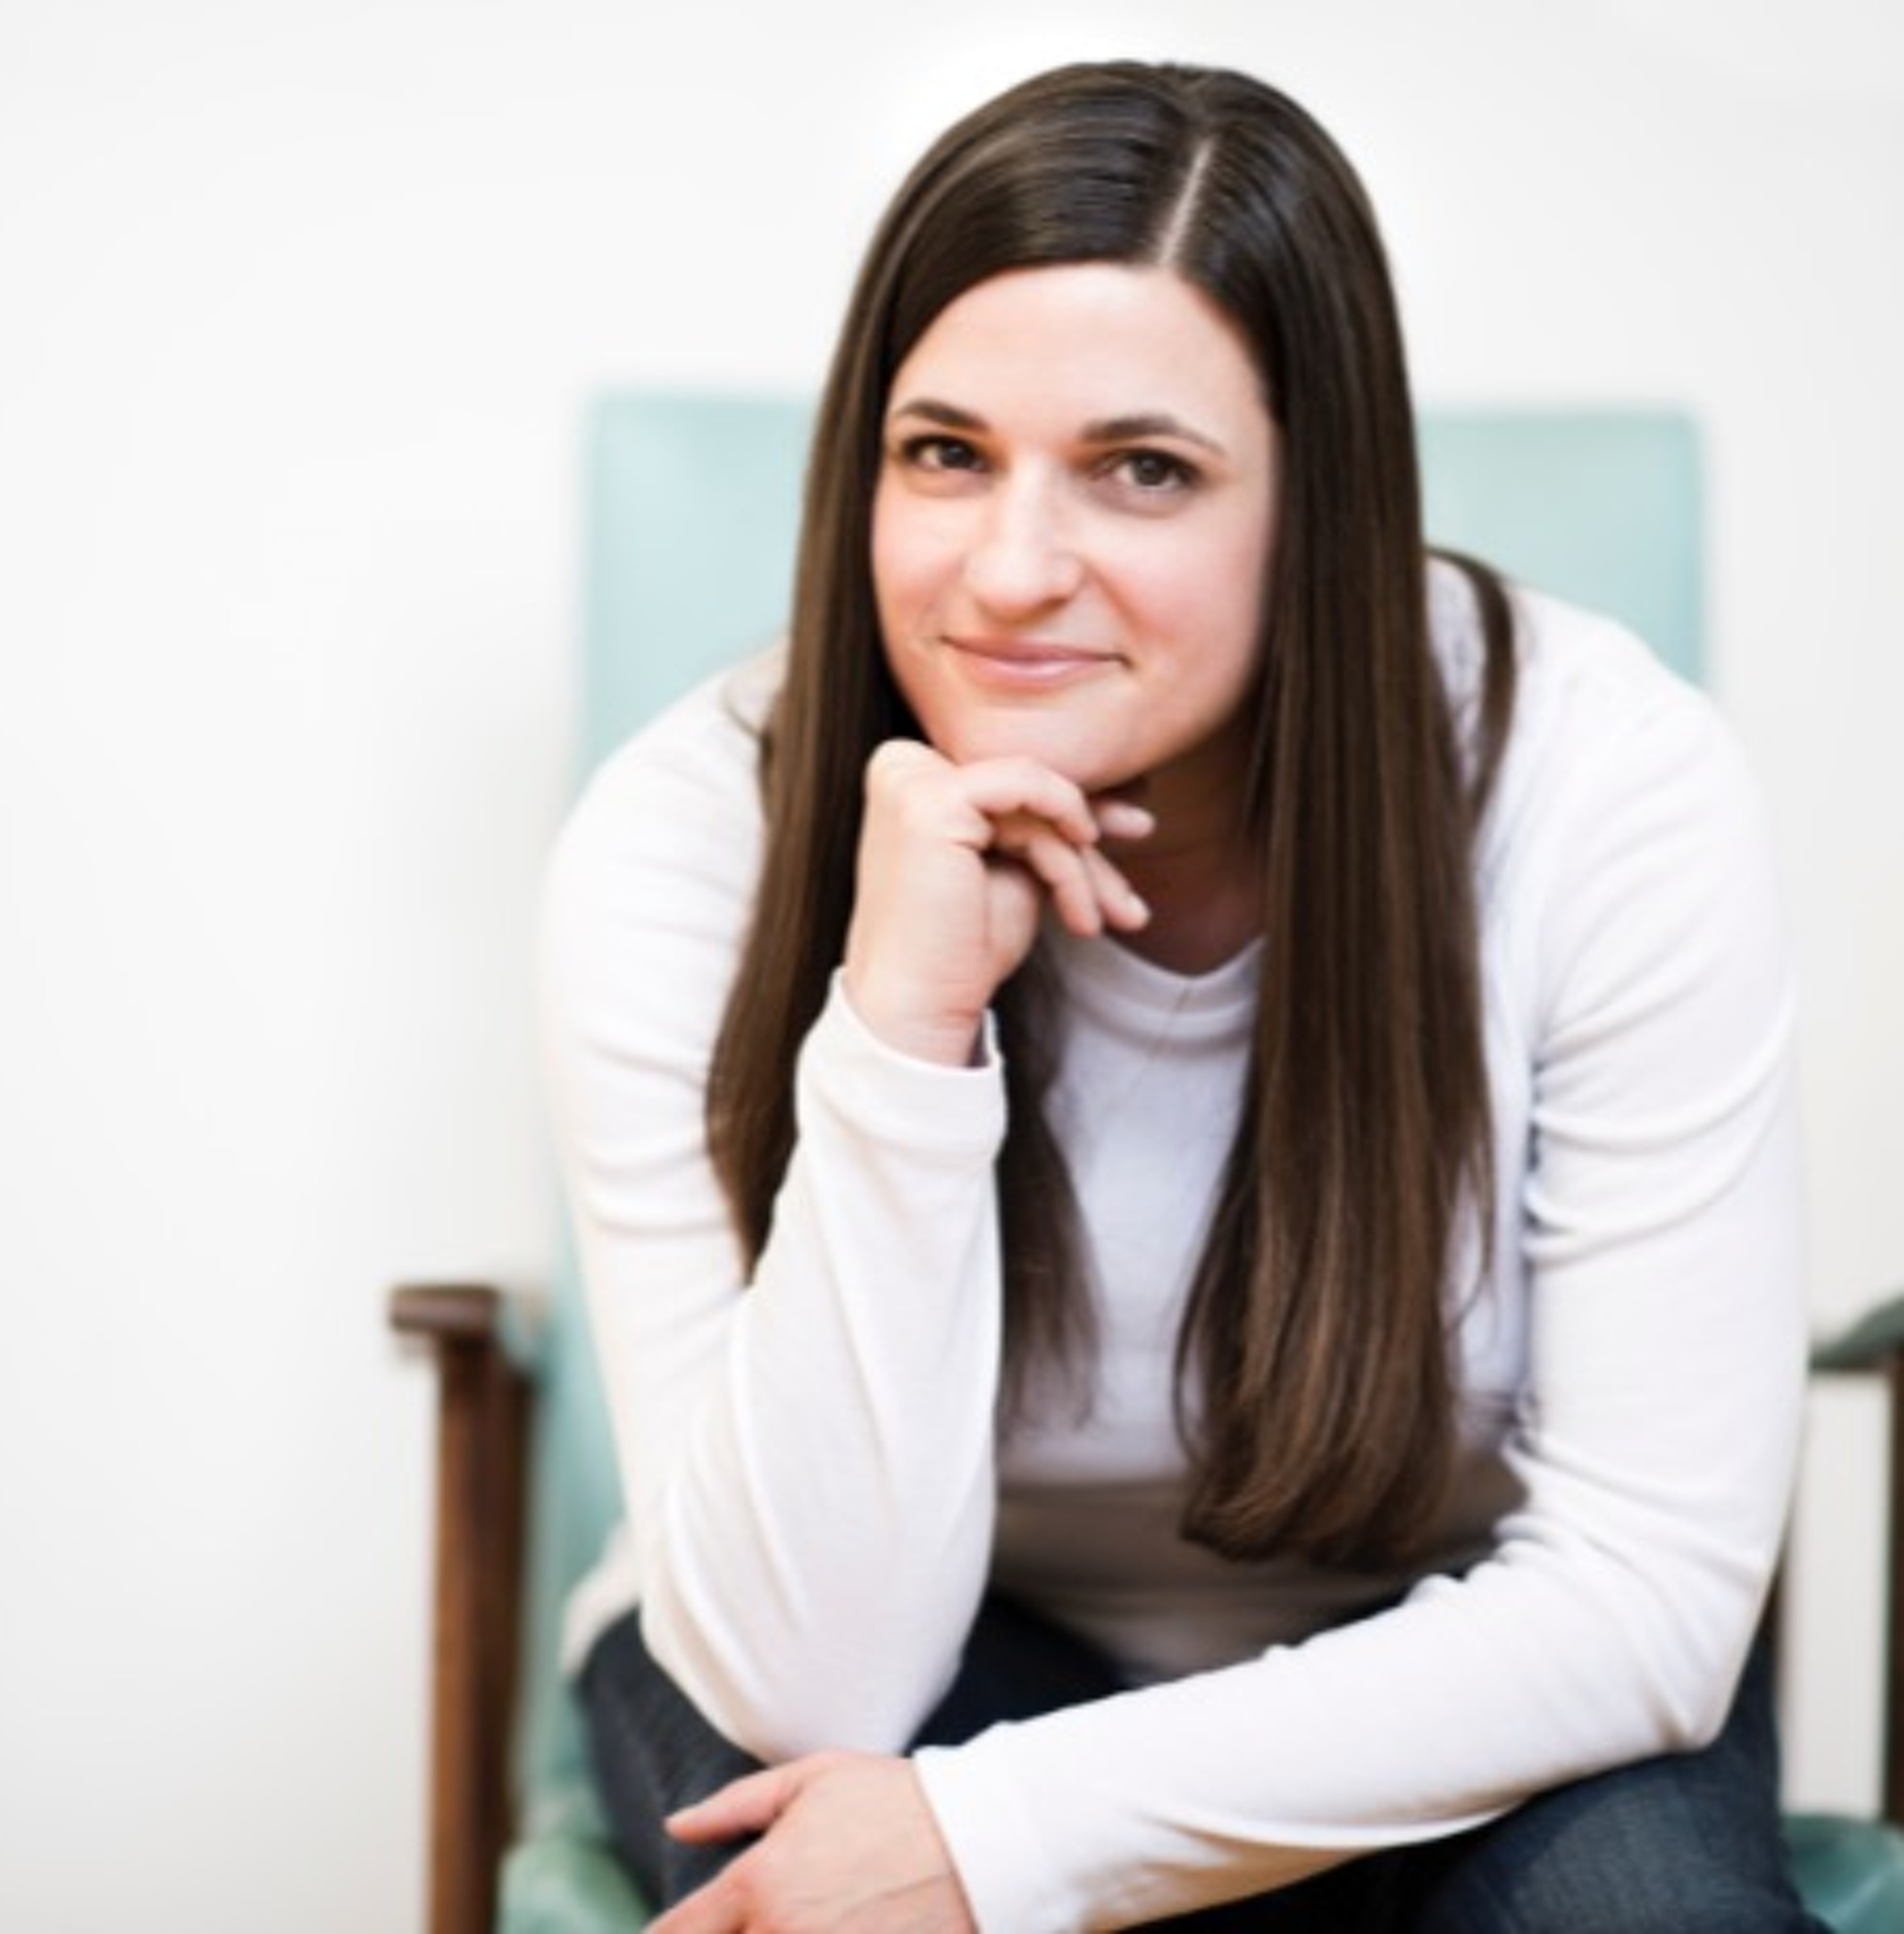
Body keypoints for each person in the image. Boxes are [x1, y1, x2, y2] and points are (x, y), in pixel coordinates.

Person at [539, 59, 1817, 1933]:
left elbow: (1641, 1594)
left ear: (1321, 504)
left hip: (1458, 1647)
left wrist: (1015, 1832)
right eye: (945, 454)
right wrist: (902, 1031)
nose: (1011, 573)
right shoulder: (686, 838)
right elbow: (812, 1683)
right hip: (914, 1641)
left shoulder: (1603, 785)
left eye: (1145, 470)